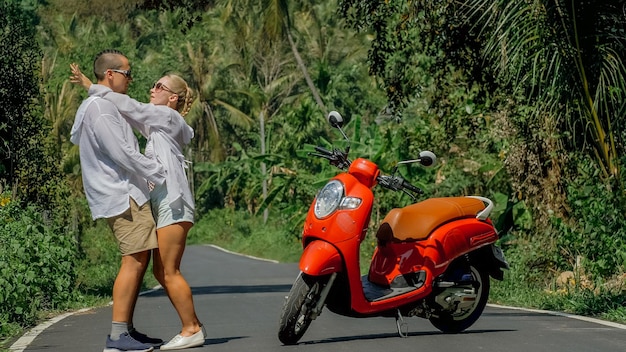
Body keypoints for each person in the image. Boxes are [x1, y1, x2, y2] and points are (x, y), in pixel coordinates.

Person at [70, 63, 205, 350]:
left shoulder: (167, 117)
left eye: (160, 86)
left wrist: (90, 86)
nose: (152, 88)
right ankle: (182, 327)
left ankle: (192, 328)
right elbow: (130, 114)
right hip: (166, 204)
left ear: (172, 98)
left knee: (169, 271)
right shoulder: (159, 124)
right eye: (154, 85)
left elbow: (133, 108)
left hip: (173, 203)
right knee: (161, 272)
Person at [70, 50, 165, 352]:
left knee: (140, 258)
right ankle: (116, 336)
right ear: (110, 74)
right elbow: (122, 152)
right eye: (127, 73)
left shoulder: (102, 103)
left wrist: (87, 83)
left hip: (128, 192)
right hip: (122, 195)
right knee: (133, 259)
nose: (131, 78)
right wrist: (159, 172)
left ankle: (127, 330)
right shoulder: (99, 109)